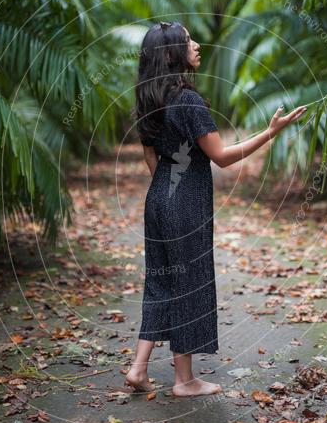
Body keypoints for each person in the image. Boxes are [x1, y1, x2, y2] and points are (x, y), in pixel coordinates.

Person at [126, 20, 306, 397]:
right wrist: (271, 132)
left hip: (157, 200)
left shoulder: (149, 99)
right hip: (185, 205)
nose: (197, 45)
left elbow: (150, 158)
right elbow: (222, 157)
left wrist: (167, 189)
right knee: (188, 284)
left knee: (161, 281)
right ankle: (184, 381)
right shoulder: (188, 100)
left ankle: (138, 369)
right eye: (189, 40)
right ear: (174, 53)